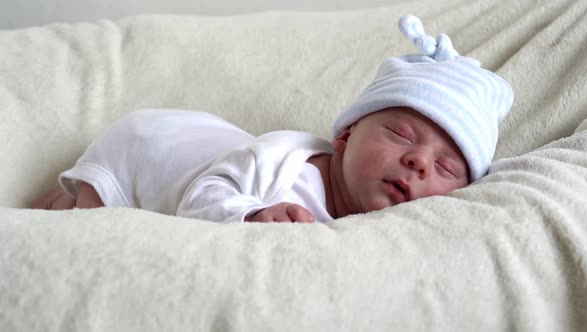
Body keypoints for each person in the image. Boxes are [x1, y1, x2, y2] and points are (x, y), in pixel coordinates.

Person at [32, 15, 513, 223]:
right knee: (89, 219)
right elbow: (203, 195)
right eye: (401, 133)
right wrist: (252, 213)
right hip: (147, 151)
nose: (418, 162)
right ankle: (58, 203)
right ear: (345, 136)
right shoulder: (285, 164)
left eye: (448, 168)